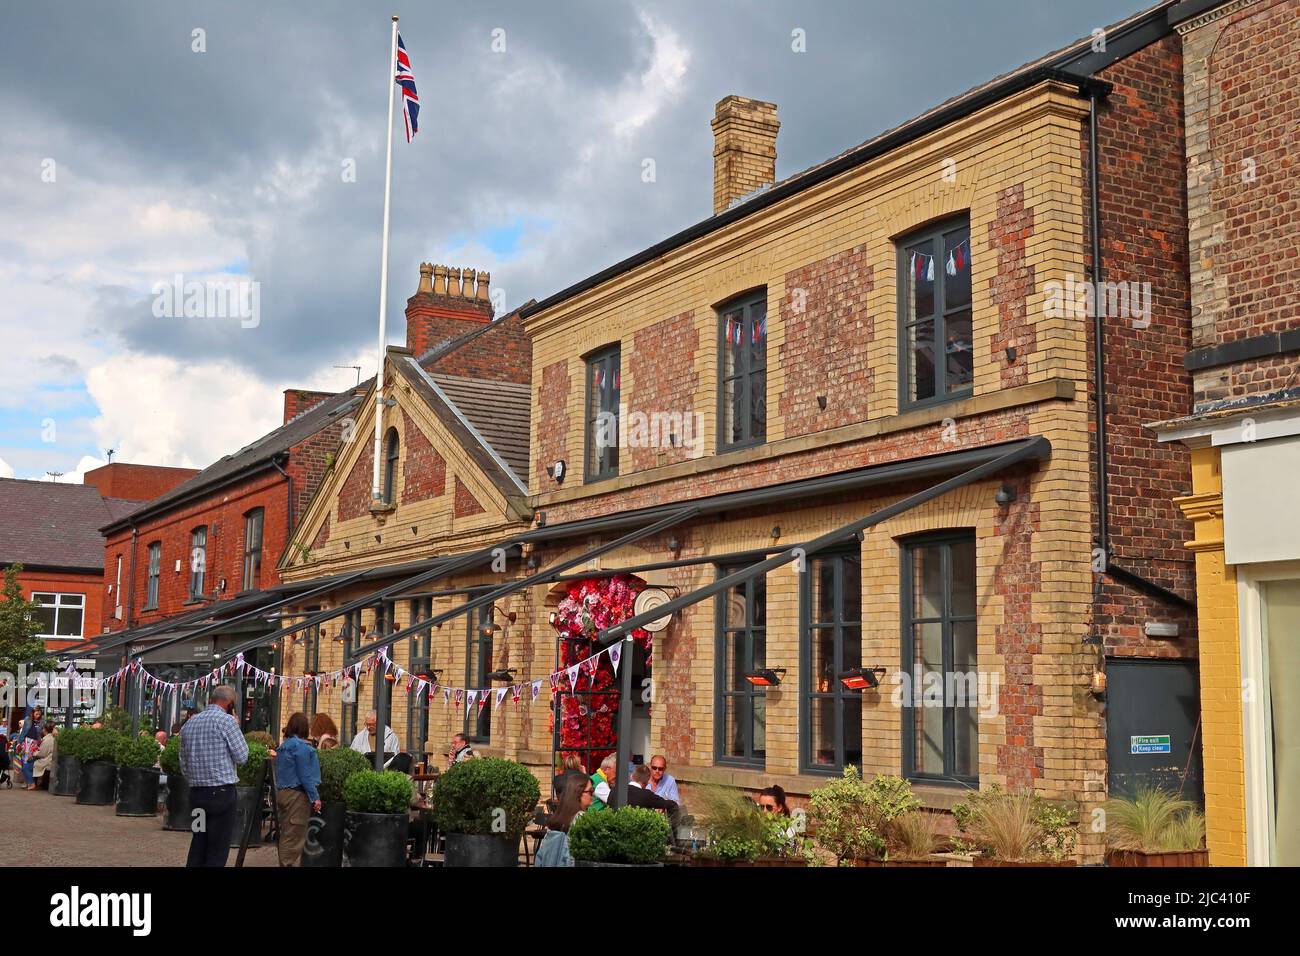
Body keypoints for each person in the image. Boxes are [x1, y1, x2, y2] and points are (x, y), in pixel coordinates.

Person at [179, 685, 249, 867]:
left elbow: (183, 764)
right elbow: (242, 756)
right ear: (230, 704)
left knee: (199, 841)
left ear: (211, 700)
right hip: (221, 795)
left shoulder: (189, 724)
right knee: (217, 847)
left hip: (197, 795)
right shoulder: (227, 722)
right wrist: (237, 726)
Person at [273, 712, 321, 867]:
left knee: (287, 833)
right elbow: (305, 775)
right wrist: (315, 797)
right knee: (294, 836)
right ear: (304, 728)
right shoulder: (301, 748)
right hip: (297, 795)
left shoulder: (283, 746)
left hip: (282, 793)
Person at [536, 774, 593, 867]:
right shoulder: (582, 820)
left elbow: (540, 858)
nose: (593, 795)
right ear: (578, 793)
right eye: (590, 791)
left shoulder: (556, 819)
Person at [32, 723, 57, 790]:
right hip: (49, 759)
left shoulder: (47, 739)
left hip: (47, 760)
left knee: (32, 764)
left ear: (45, 730)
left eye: (43, 729)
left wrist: (34, 753)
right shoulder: (51, 738)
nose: (42, 730)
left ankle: (32, 783)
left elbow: (42, 753)